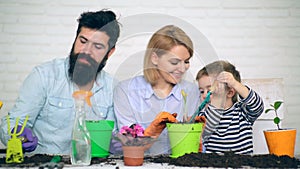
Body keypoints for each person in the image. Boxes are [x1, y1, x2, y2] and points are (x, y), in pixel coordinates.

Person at [0, 9, 121, 155]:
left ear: (110, 52)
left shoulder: (113, 88)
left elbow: (114, 136)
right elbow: (13, 123)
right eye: (83, 41)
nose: (86, 51)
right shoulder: (44, 76)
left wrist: (118, 142)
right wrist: (17, 134)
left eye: (97, 46)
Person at [113, 25, 200, 155]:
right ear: (155, 58)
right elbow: (129, 142)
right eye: (175, 62)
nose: (182, 69)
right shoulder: (126, 91)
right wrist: (153, 131)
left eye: (186, 61)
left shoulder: (191, 91)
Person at [196, 60, 264, 154]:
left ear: (230, 92)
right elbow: (209, 126)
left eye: (210, 89)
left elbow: (257, 105)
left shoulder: (243, 113)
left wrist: (234, 83)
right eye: (201, 91)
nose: (204, 95)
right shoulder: (203, 116)